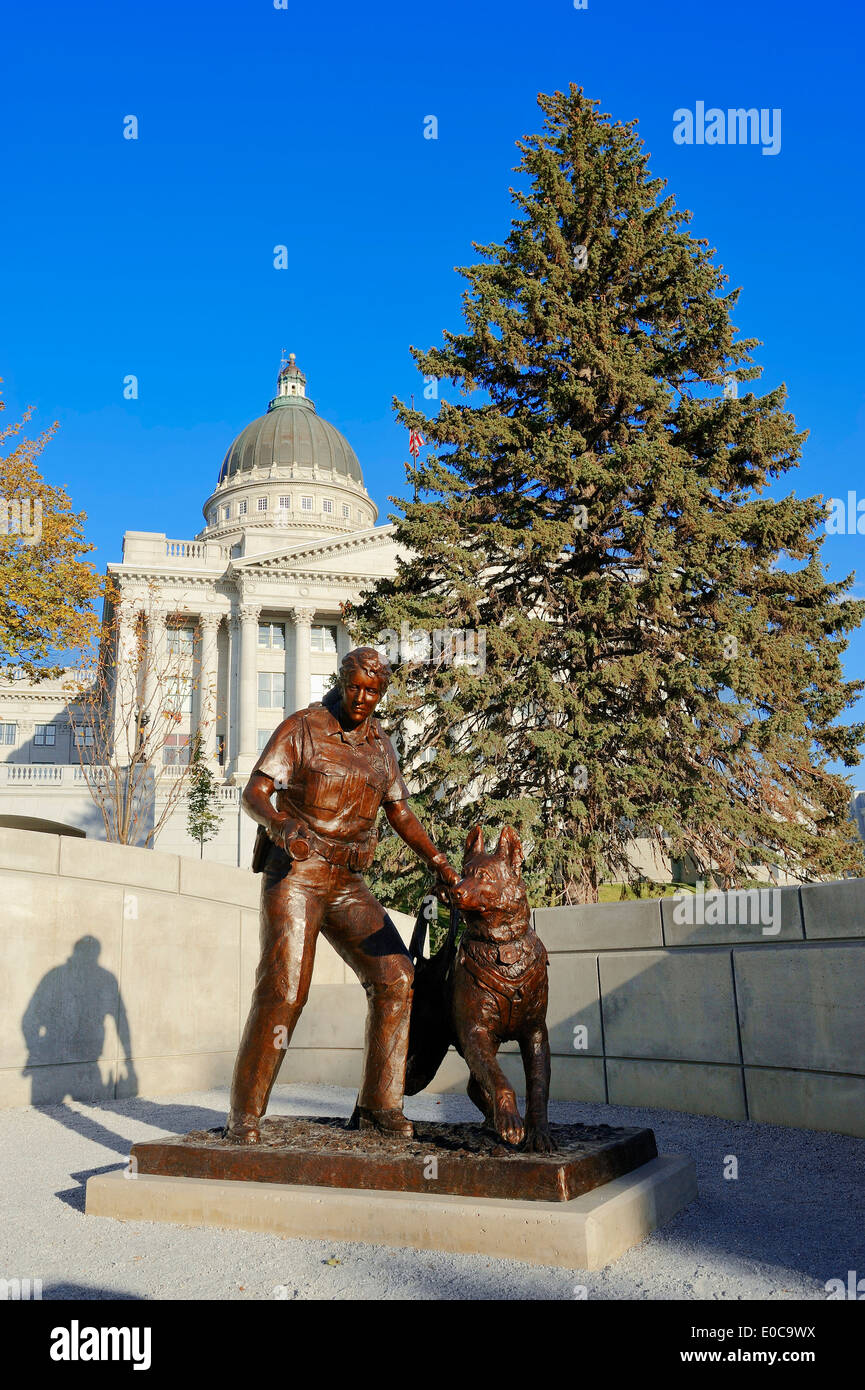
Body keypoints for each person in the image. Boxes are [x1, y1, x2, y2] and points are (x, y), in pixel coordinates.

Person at [225, 645, 458, 1143]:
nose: (362, 697)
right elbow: (255, 792)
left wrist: (438, 862)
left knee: (397, 976)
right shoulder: (302, 728)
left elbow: (400, 813)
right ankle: (245, 1114)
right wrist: (282, 825)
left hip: (348, 881)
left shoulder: (381, 747)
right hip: (297, 872)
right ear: (341, 679)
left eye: (373, 691)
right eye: (356, 686)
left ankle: (378, 1106)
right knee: (285, 990)